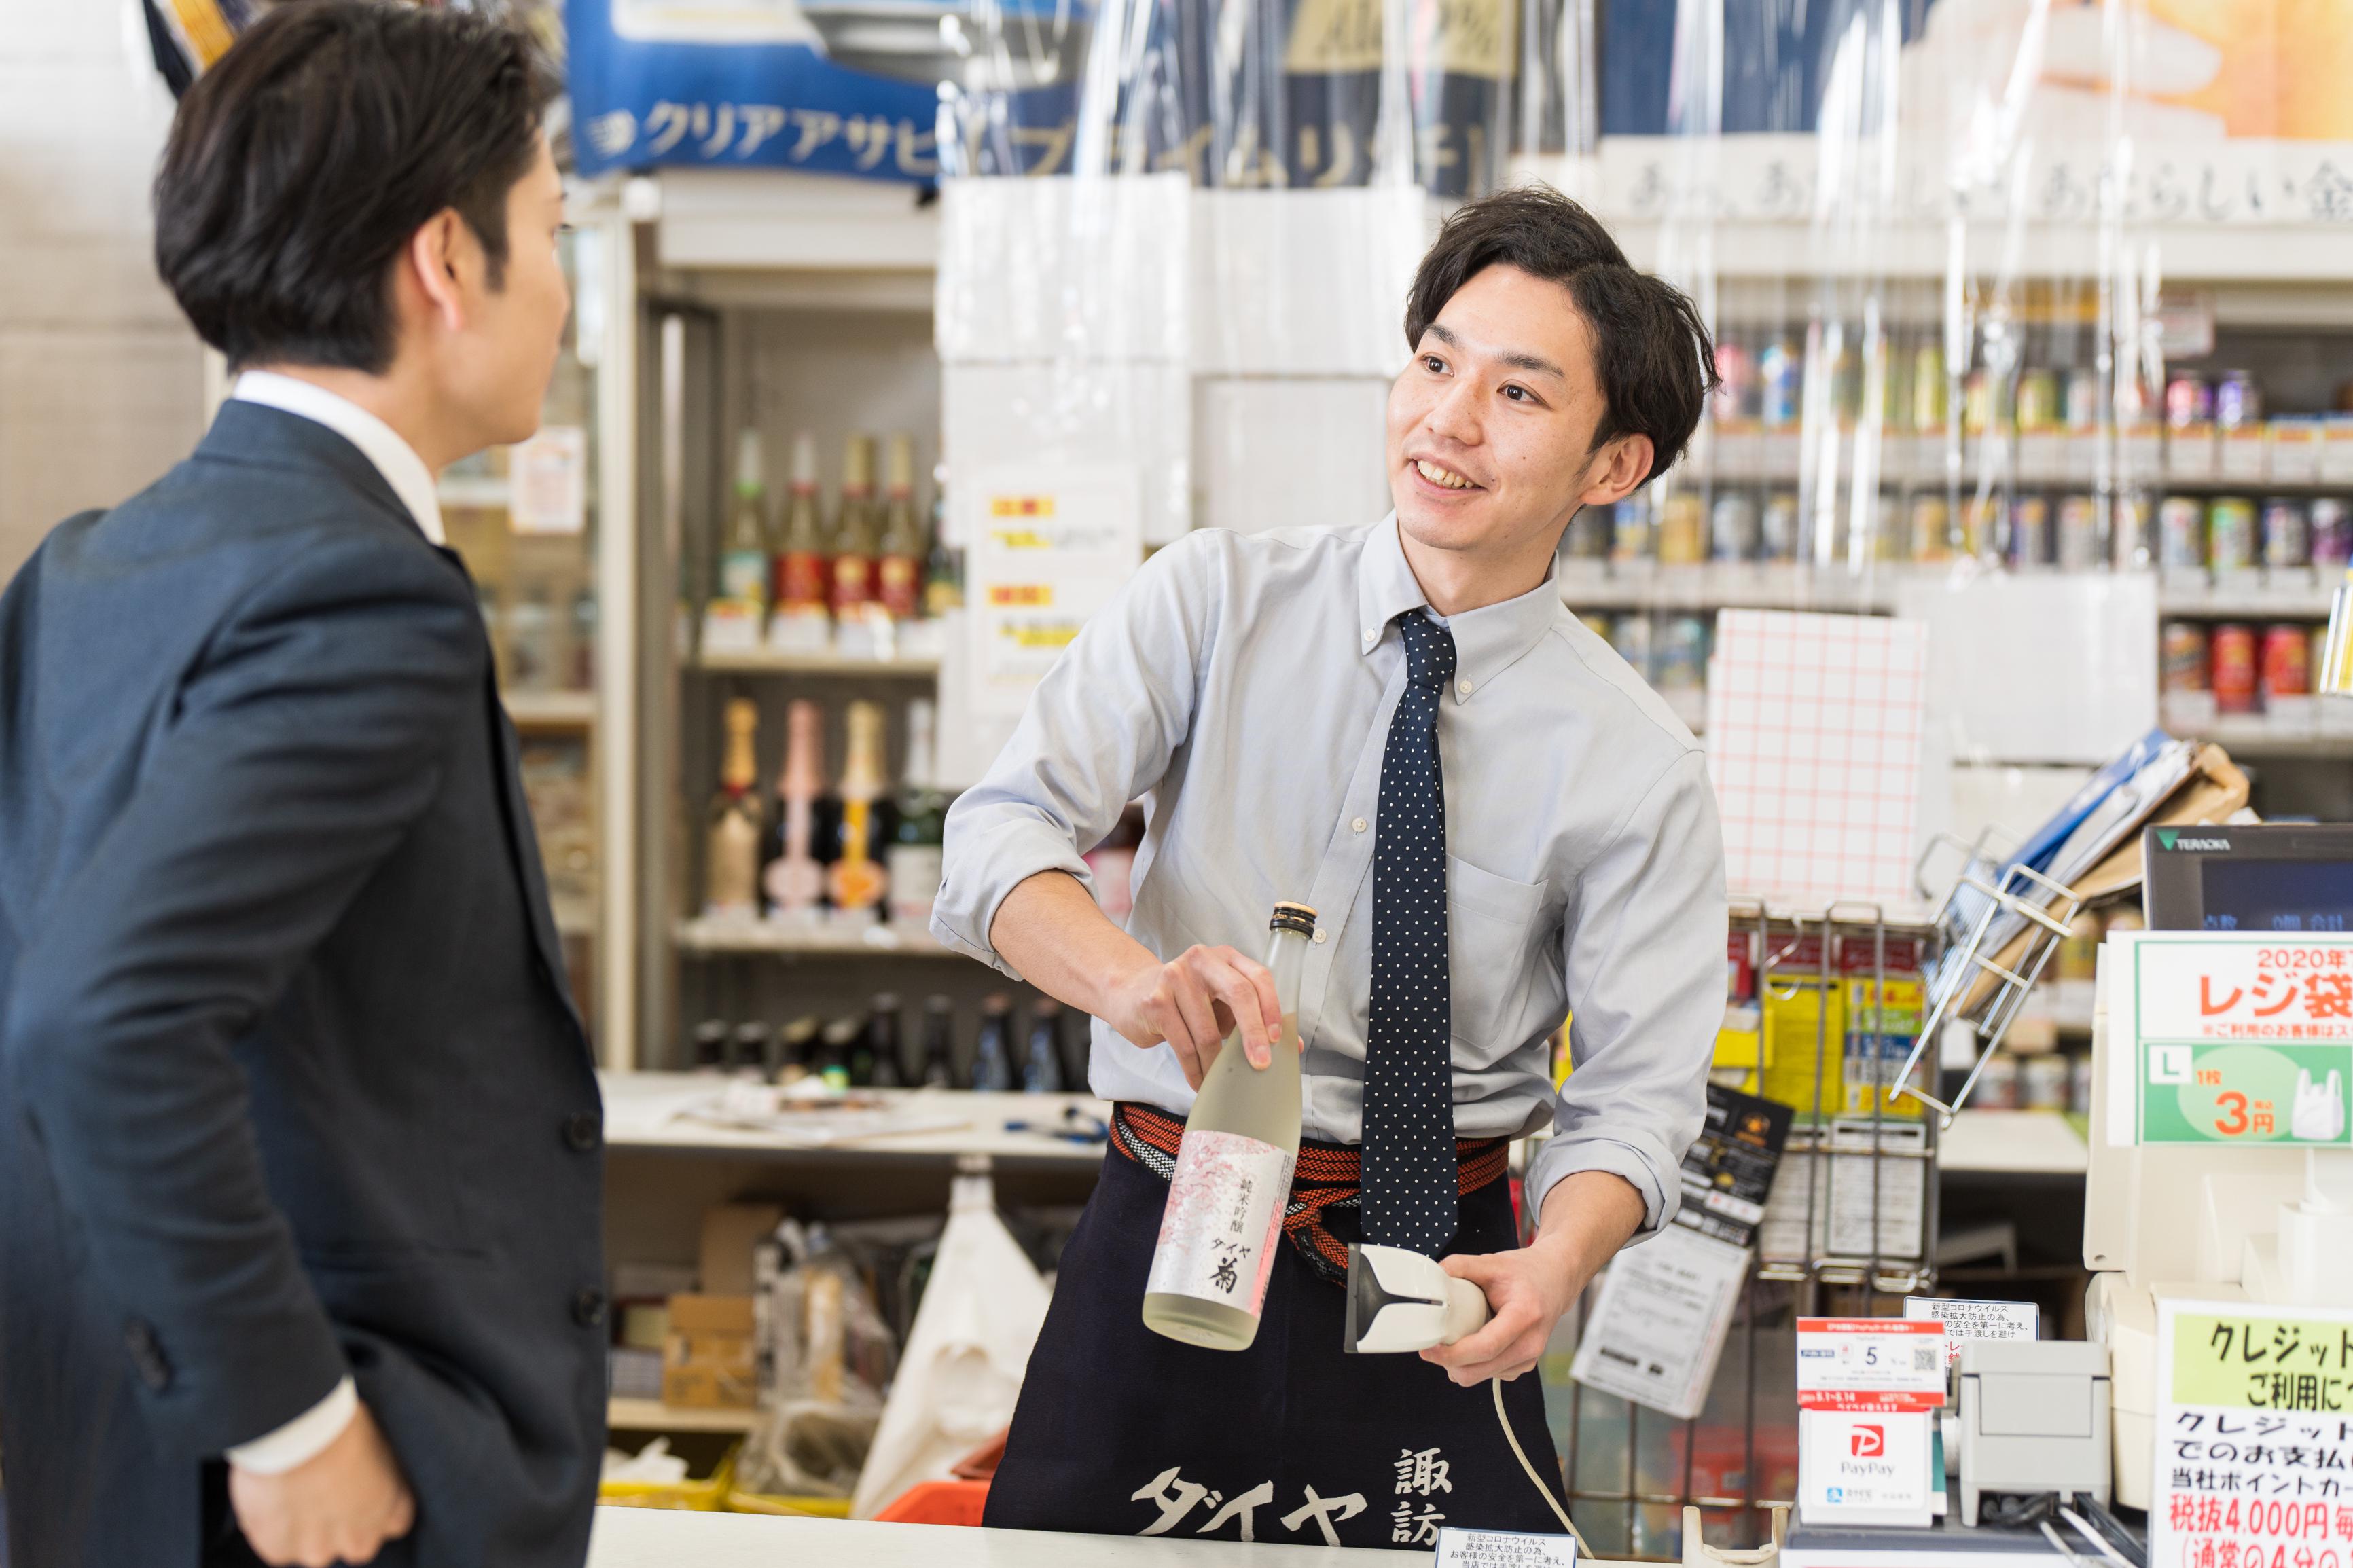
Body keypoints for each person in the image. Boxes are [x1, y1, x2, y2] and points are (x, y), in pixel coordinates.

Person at [933, 185, 1729, 1546]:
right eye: (1433, 364)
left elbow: (1637, 1102)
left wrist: (1561, 1259)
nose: (1448, 421)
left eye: (1519, 395)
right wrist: (1130, 981)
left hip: (1446, 1273)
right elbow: (996, 832)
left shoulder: (1639, 763)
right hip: (1173, 1224)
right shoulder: (1213, 600)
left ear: (1612, 466)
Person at [0, 7, 603, 1565]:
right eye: (550, 226)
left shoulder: (83, 568)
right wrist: (293, 1419)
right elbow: (99, 1019)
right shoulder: (362, 593)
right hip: (317, 1486)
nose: (564, 287)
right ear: (444, 264)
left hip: (94, 1451)